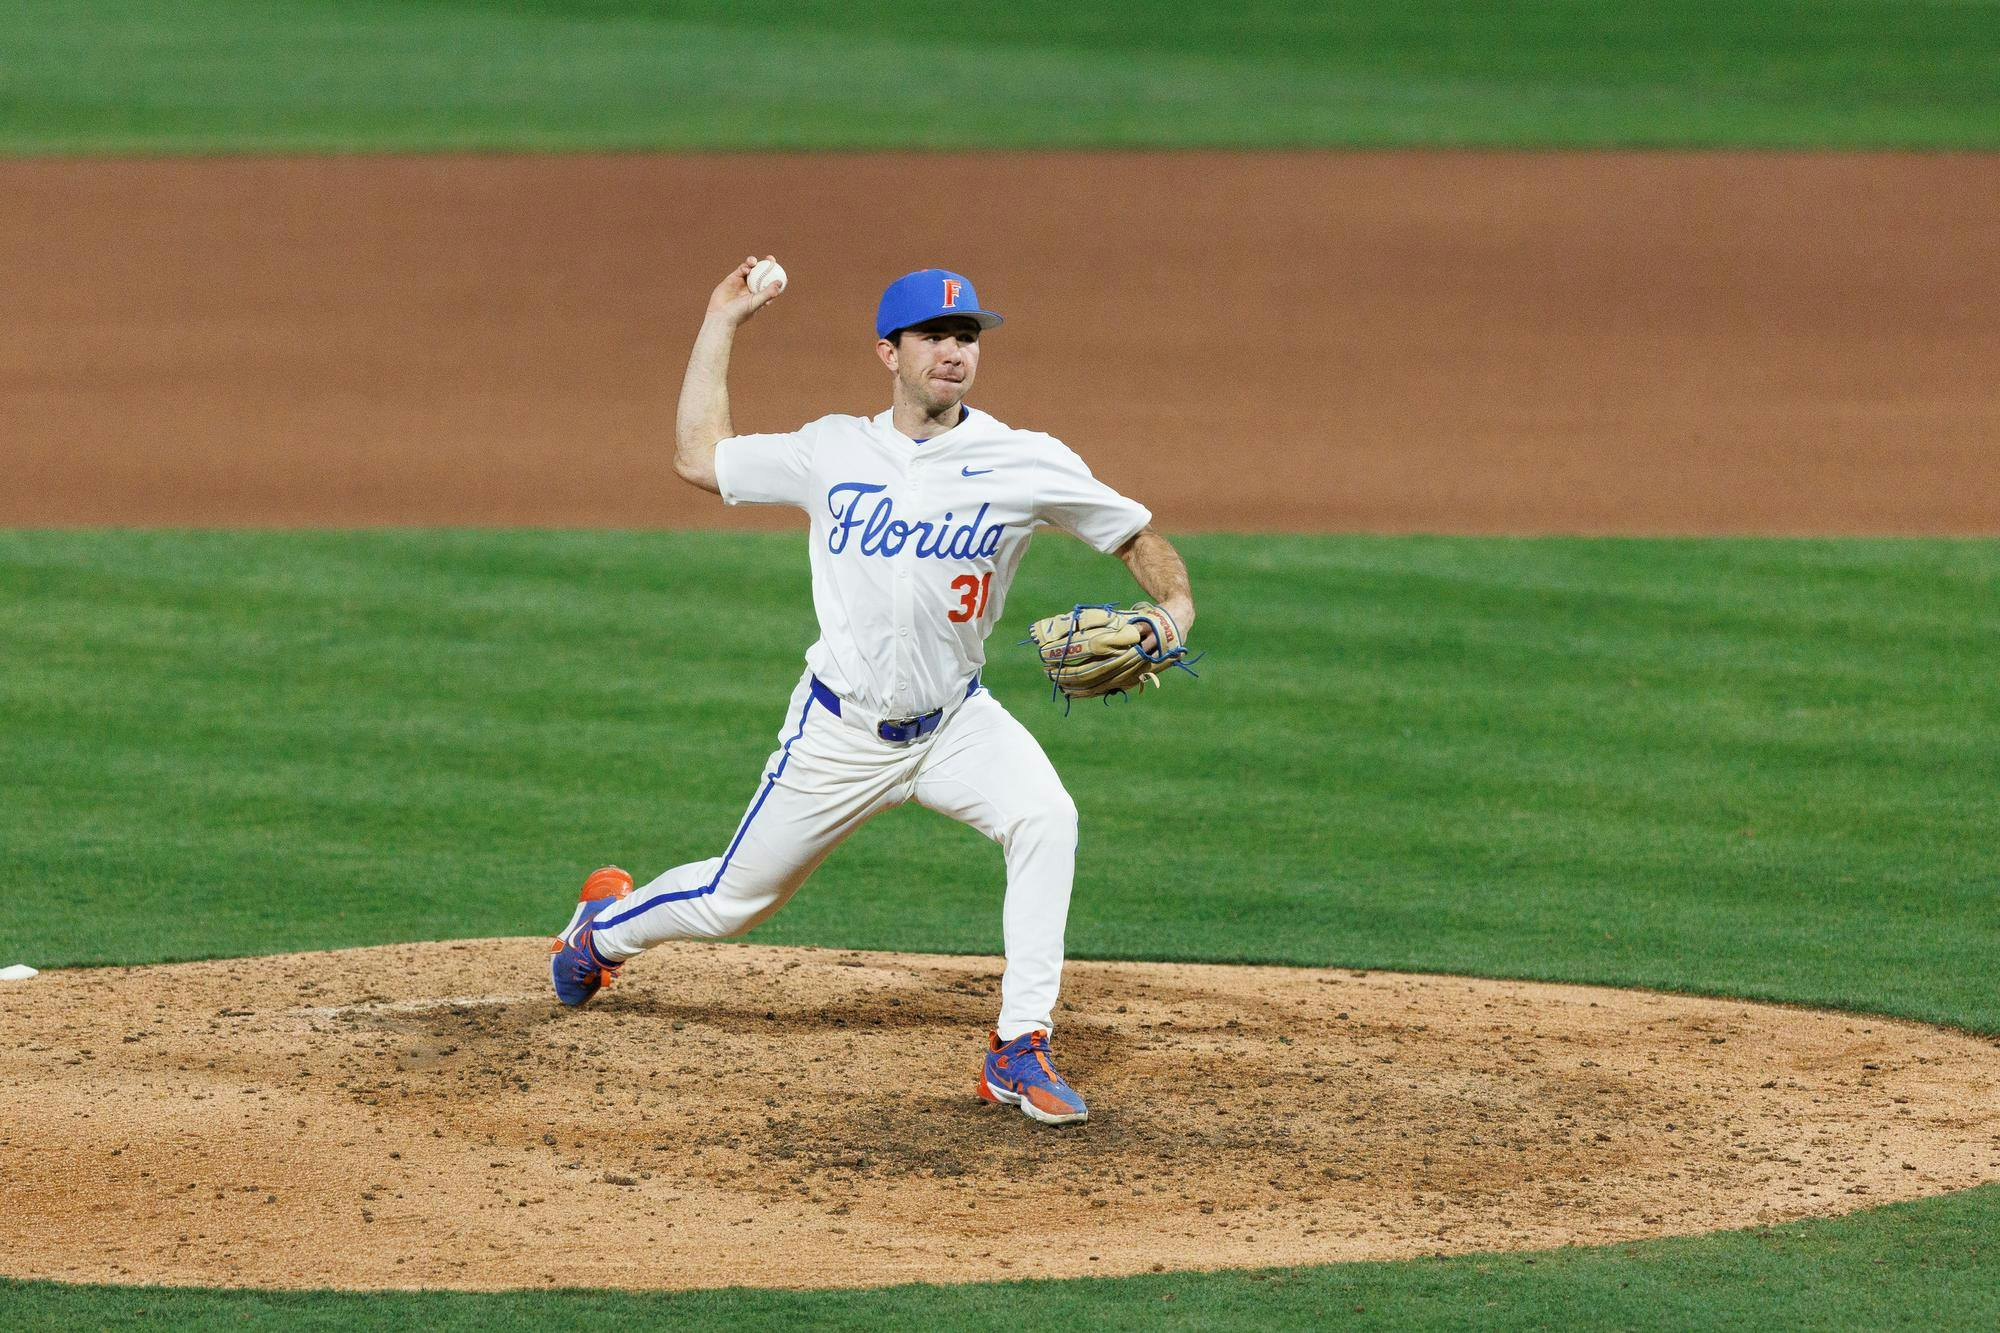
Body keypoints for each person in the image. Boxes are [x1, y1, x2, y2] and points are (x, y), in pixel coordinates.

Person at [549, 258, 1197, 1126]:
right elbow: (698, 458)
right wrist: (721, 320)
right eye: (934, 336)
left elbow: (1136, 532)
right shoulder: (831, 449)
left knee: (1046, 816)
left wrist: (1177, 608)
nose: (954, 352)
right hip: (840, 731)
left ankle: (1019, 1046)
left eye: (966, 336)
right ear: (887, 352)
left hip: (957, 722)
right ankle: (599, 931)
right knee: (733, 900)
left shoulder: (1023, 460)